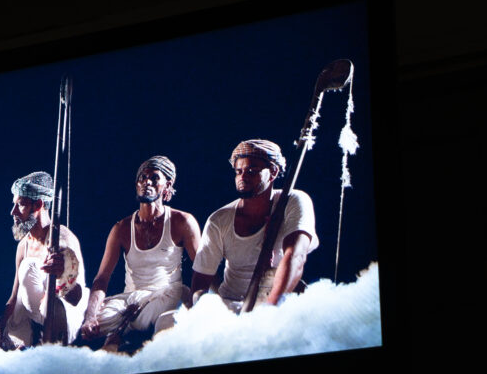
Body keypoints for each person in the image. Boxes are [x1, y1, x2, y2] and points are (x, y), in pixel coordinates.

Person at [79, 156, 201, 348]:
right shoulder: (121, 228)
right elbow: (102, 278)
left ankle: (123, 332)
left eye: (154, 178)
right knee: (91, 324)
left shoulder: (182, 221)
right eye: (142, 178)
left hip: (166, 295)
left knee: (172, 299)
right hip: (130, 299)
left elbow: (202, 270)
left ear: (167, 186)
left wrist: (206, 305)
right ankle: (125, 330)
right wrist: (91, 317)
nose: (147, 182)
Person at [190, 139, 318, 311]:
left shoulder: (294, 201)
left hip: (278, 303)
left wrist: (266, 313)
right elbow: (200, 283)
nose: (243, 176)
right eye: (239, 171)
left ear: (273, 172)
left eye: (252, 171)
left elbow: (296, 257)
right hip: (231, 306)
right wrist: (204, 309)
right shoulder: (218, 221)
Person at [0, 171, 89, 347]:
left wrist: (63, 273)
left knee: (31, 267)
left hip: (64, 313)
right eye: (14, 205)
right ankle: (16, 340)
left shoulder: (62, 239)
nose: (12, 212)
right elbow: (14, 296)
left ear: (38, 204)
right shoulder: (23, 246)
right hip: (34, 313)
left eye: (20, 205)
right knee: (28, 267)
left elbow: (76, 298)